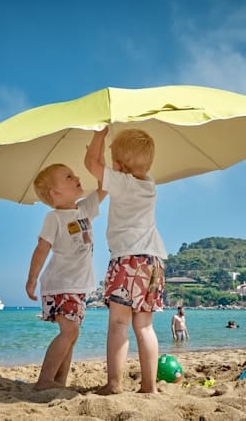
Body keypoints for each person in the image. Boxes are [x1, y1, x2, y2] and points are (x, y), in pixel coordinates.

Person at [85, 127, 167, 395]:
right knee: (145, 326)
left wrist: (99, 134)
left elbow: (91, 164)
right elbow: (102, 169)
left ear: (119, 167)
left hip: (128, 260)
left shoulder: (122, 182)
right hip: (153, 261)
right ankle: (149, 387)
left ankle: (114, 384)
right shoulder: (149, 185)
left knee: (119, 323)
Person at [25, 161, 106, 391]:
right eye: (68, 177)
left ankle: (58, 383)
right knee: (69, 331)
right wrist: (32, 279)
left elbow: (104, 188)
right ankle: (45, 381)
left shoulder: (84, 209)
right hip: (60, 284)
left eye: (73, 174)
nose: (76, 177)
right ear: (55, 192)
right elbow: (42, 248)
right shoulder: (54, 218)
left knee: (72, 334)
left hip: (78, 286)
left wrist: (99, 159)